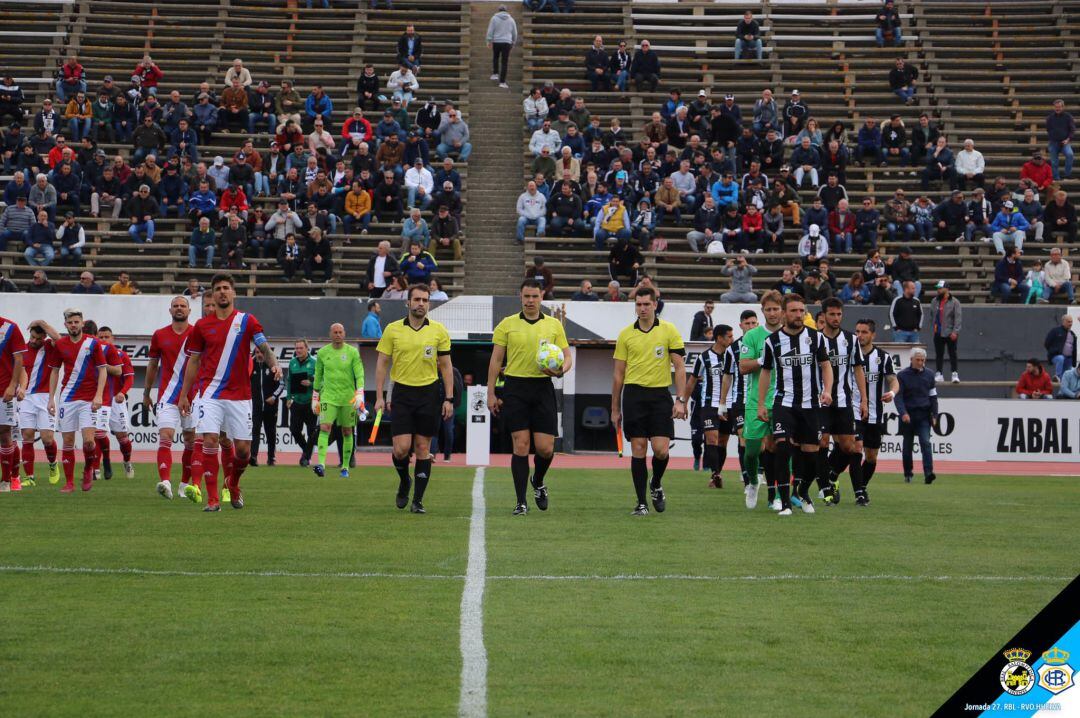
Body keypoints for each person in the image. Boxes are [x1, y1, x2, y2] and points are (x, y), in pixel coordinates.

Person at [179, 274, 280, 511]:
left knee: (243, 452)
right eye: (218, 289)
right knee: (210, 440)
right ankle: (213, 499)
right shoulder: (202, 326)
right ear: (213, 295)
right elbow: (193, 362)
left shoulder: (247, 321)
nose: (222, 292)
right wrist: (185, 394)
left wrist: (274, 363)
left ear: (233, 293)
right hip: (210, 394)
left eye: (226, 288)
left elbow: (264, 346)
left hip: (240, 395)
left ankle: (232, 483)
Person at [487, 280, 571, 515]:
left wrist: (561, 369)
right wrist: (491, 392)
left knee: (545, 448)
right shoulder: (507, 324)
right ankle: (521, 502)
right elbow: (495, 360)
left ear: (542, 296)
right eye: (527, 296)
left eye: (535, 296)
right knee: (521, 445)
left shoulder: (554, 325)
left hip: (543, 387)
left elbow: (567, 355)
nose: (530, 301)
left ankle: (539, 480)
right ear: (520, 297)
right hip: (515, 388)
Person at [375, 284, 455, 513]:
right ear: (407, 302)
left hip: (429, 394)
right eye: (417, 299)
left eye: (425, 300)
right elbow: (382, 363)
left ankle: (418, 500)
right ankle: (404, 481)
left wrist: (448, 398)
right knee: (401, 449)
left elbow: (446, 366)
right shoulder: (393, 329)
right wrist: (380, 396)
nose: (421, 303)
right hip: (402, 393)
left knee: (422, 447)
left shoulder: (439, 330)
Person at [610, 286, 685, 515]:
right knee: (639, 448)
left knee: (661, 450)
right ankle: (641, 503)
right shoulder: (625, 334)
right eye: (638, 305)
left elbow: (680, 367)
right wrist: (614, 408)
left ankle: (656, 483)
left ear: (655, 304)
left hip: (660, 395)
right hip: (633, 396)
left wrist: (680, 399)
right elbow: (618, 374)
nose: (642, 308)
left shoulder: (669, 330)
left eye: (646, 304)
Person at [757, 294, 833, 515]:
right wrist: (762, 403)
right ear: (783, 313)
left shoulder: (816, 338)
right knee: (782, 448)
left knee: (811, 456)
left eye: (802, 311)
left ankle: (802, 491)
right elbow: (765, 373)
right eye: (794, 311)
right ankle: (785, 503)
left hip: (811, 405)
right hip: (784, 403)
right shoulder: (772, 341)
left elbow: (826, 366)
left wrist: (827, 390)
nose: (799, 315)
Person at [143, 296, 201, 500]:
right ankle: (165, 481)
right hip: (167, 395)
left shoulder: (197, 332)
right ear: (170, 311)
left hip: (193, 396)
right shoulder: (159, 335)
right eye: (175, 306)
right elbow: (152, 365)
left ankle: (184, 485)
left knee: (190, 441)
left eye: (182, 306)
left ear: (189, 310)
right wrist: (146, 392)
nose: (179, 309)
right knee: (165, 436)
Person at [49, 309, 107, 493]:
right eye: (70, 322)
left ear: (82, 323)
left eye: (76, 322)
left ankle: (89, 468)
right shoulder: (60, 344)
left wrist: (99, 395)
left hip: (89, 399)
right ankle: (69, 482)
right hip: (67, 398)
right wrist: (51, 398)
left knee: (89, 442)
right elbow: (55, 371)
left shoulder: (93, 343)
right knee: (67, 441)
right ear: (65, 325)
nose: (73, 325)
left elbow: (103, 370)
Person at [817, 298, 867, 506]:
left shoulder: (851, 339)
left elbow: (857, 369)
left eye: (839, 314)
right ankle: (824, 488)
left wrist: (864, 399)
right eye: (832, 314)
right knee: (822, 443)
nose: (836, 318)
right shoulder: (816, 339)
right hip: (822, 401)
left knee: (849, 448)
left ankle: (831, 473)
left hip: (844, 400)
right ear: (824, 316)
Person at [309, 323, 364, 478]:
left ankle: (345, 466)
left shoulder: (352, 352)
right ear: (330, 334)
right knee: (325, 427)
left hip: (348, 398)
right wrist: (315, 397)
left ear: (344, 333)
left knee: (347, 431)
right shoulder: (322, 353)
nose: (338, 334)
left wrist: (359, 394)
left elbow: (359, 374)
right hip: (329, 397)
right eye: (335, 332)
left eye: (340, 332)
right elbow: (318, 375)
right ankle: (321, 464)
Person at [852, 319, 898, 504]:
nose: (860, 336)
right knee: (856, 449)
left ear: (873, 335)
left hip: (875, 413)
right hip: (854, 410)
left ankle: (862, 486)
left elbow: (894, 380)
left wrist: (892, 393)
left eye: (864, 332)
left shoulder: (883, 357)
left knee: (871, 456)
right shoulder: (849, 354)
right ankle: (858, 492)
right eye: (857, 331)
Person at [683, 324, 733, 491]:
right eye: (729, 336)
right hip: (709, 405)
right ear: (719, 338)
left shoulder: (733, 357)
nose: (731, 340)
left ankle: (717, 473)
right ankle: (715, 474)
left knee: (722, 442)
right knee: (711, 439)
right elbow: (692, 381)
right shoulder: (704, 358)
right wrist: (683, 402)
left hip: (728, 405)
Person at [95, 326, 135, 481]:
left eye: (107, 337)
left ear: (112, 339)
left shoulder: (121, 355)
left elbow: (130, 377)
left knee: (122, 437)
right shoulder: (93, 354)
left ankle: (127, 461)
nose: (104, 340)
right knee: (98, 434)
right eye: (101, 337)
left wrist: (122, 392)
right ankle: (96, 469)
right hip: (99, 398)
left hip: (115, 400)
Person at [895, 348, 938, 484]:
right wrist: (903, 413)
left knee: (926, 443)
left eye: (922, 360)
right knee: (907, 446)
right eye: (918, 360)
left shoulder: (930, 375)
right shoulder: (902, 375)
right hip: (908, 416)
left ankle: (928, 473)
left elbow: (933, 397)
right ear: (911, 360)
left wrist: (935, 415)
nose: (920, 362)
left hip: (924, 415)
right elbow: (898, 397)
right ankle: (908, 473)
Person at [0, 315, 26, 492]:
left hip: (4, 390)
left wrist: (13, 385)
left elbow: (19, 361)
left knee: (5, 433)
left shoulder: (10, 328)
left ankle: (7, 480)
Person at [285, 340, 318, 467]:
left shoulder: (315, 362)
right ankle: (306, 450)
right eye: (296, 348)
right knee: (294, 429)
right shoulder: (292, 362)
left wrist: (311, 384)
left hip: (310, 402)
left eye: (301, 348)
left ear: (307, 349)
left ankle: (305, 458)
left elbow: (322, 381)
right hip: (296, 401)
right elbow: (289, 381)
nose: (298, 350)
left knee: (312, 432)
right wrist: (288, 397)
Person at [249, 350, 283, 467]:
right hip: (256, 406)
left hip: (270, 405)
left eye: (262, 352)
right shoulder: (250, 364)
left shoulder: (272, 364)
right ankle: (253, 457)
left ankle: (271, 458)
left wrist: (274, 396)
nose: (259, 355)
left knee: (271, 432)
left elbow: (282, 384)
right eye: (257, 352)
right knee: (255, 430)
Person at [486, 4, 519, 89]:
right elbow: (515, 33)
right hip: (507, 42)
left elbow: (490, 30)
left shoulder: (494, 18)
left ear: (498, 10)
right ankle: (502, 82)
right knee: (504, 63)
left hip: (496, 41)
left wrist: (489, 40)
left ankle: (495, 74)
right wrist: (513, 43)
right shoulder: (511, 20)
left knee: (495, 57)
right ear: (506, 10)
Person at [1046, 99, 1075, 181]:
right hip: (1053, 142)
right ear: (1054, 107)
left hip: (1065, 142)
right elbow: (1048, 129)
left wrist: (1068, 139)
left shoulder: (1068, 116)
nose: (1057, 109)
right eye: (1056, 107)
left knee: (1070, 155)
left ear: (1063, 107)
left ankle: (1067, 174)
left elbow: (1072, 129)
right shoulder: (1050, 118)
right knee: (1054, 162)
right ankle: (1056, 178)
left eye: (1059, 107)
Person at [1045, 314, 1076, 379]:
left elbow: (1074, 348)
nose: (1070, 323)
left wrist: (1074, 362)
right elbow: (1047, 343)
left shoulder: (1072, 334)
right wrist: (1052, 351)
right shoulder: (1055, 331)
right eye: (1068, 321)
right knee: (1060, 358)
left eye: (1071, 322)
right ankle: (1057, 376)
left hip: (1069, 358)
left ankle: (1061, 382)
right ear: (1063, 321)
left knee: (1066, 377)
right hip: (1056, 356)